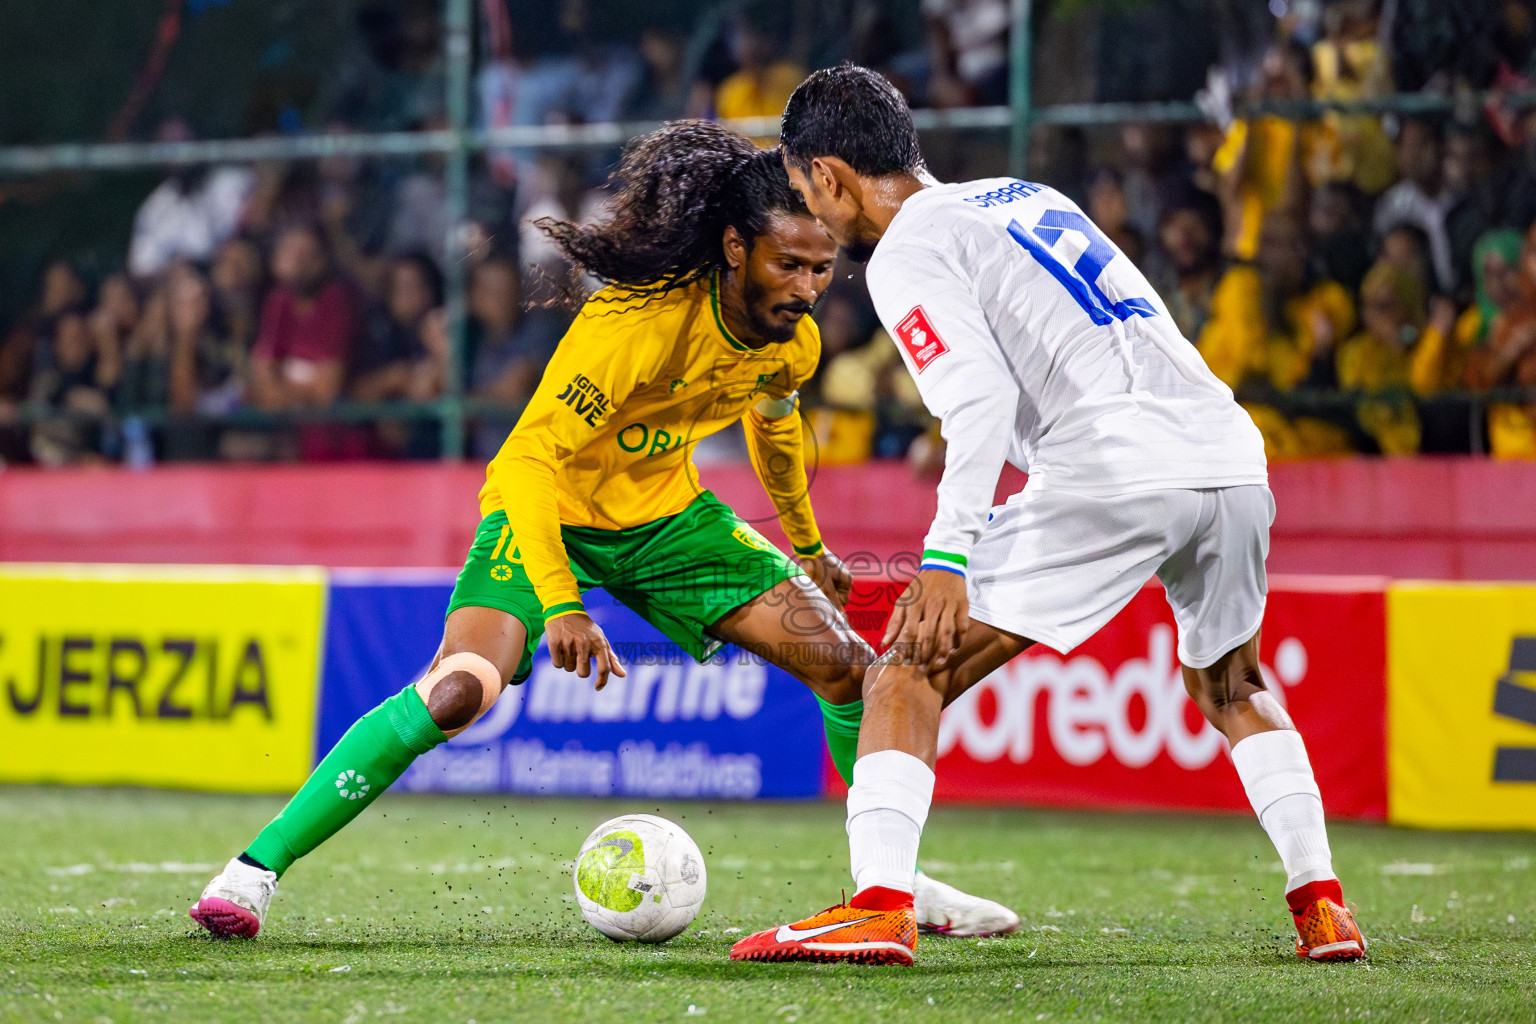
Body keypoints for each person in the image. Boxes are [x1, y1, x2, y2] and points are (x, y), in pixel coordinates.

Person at [188, 121, 1016, 941]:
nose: (805, 289)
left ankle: (888, 885)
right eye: (787, 264)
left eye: (820, 268)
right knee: (458, 691)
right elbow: (522, 469)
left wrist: (807, 544)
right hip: (551, 515)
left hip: (667, 521)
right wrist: (563, 607)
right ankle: (252, 873)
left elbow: (773, 424)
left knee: (853, 673)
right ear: (734, 249)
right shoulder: (637, 323)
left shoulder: (789, 342)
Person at [732, 65, 1367, 966]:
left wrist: (947, 560)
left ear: (829, 175)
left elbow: (979, 400)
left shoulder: (910, 248)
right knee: (1232, 686)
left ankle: (877, 906)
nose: (811, 217)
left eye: (804, 191)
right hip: (1229, 453)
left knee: (903, 675)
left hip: (1113, 465)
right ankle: (1323, 905)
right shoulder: (1021, 195)